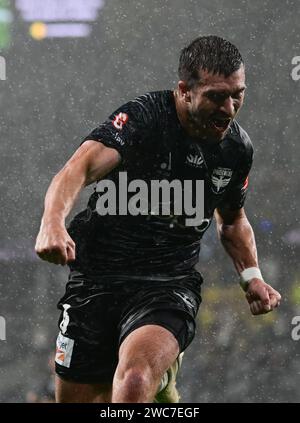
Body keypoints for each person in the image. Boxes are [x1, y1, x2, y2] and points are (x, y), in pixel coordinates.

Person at [35, 35, 281, 403]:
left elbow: (232, 220)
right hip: (95, 282)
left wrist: (252, 277)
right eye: (216, 96)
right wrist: (52, 223)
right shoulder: (143, 119)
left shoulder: (236, 149)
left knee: (133, 381)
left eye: (237, 95)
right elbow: (79, 168)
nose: (229, 108)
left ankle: (156, 379)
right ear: (184, 91)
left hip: (167, 285)